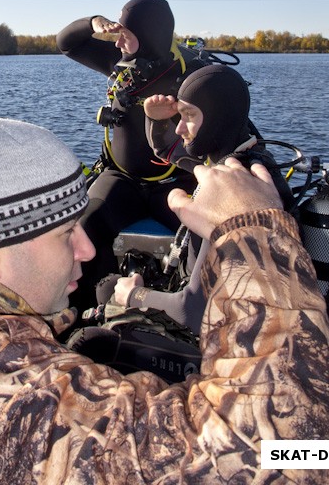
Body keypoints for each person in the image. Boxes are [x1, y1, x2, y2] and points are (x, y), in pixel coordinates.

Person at [0, 117, 329, 484]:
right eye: (66, 233)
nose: (89, 248)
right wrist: (256, 239)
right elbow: (290, 459)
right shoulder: (0, 402)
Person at [110, 64, 296, 334]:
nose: (180, 127)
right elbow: (169, 149)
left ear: (216, 118)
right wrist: (156, 119)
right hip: (231, 313)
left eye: (189, 116)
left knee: (105, 303)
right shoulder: (240, 159)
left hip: (227, 336)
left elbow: (192, 313)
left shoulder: (233, 194)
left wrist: (134, 295)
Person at [56, 0, 197, 312]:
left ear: (148, 36)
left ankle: (180, 314)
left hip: (174, 183)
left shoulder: (190, 74)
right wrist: (93, 22)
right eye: (118, 33)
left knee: (199, 239)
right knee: (87, 227)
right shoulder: (119, 63)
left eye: (126, 35)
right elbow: (66, 42)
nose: (118, 41)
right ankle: (85, 312)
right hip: (121, 178)